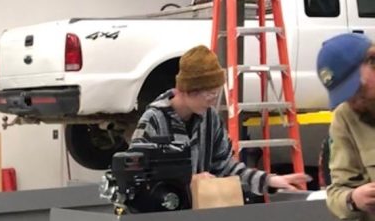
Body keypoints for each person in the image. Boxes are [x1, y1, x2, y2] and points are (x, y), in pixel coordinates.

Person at [132, 45, 310, 196]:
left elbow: (227, 168)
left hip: (200, 214)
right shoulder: (154, 120)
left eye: (216, 92)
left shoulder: (211, 120)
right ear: (187, 90)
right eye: (209, 93)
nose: (213, 99)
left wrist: (269, 180)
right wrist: (188, 180)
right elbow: (135, 173)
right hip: (161, 217)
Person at [317, 32, 375, 221]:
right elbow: (337, 191)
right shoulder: (345, 117)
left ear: (372, 61)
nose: (353, 100)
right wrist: (353, 199)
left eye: (356, 88)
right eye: (345, 94)